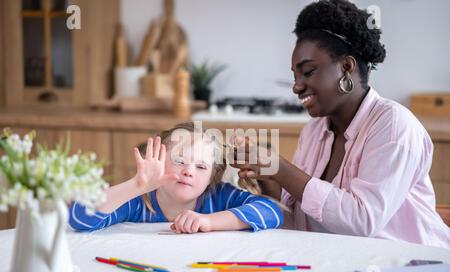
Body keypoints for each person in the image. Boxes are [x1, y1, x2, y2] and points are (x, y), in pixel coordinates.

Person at [233, 0, 450, 248]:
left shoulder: (393, 125)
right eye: (295, 75)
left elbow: (361, 222)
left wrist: (281, 168)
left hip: (414, 270)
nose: (296, 86)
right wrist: (271, 182)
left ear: (346, 67)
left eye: (308, 71)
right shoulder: (314, 131)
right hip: (340, 263)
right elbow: (305, 222)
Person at [69, 122, 283, 234]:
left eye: (201, 166)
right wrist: (136, 186)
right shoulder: (139, 202)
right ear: (158, 159)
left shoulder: (218, 197)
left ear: (212, 176)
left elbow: (272, 212)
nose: (189, 171)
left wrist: (208, 221)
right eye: (179, 160)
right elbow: (79, 218)